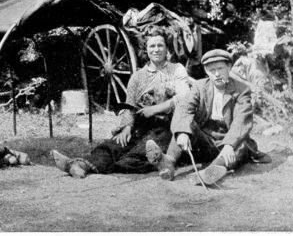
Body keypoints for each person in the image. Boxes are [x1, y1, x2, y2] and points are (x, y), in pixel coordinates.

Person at [51, 26, 191, 178]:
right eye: (152, 46)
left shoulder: (177, 69)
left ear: (167, 49)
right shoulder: (137, 77)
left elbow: (184, 96)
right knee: (114, 145)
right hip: (142, 124)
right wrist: (127, 127)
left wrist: (156, 109)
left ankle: (117, 166)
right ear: (146, 49)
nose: (156, 50)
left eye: (160, 45)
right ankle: (78, 165)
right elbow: (129, 106)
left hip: (168, 125)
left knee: (140, 152)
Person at [145, 49, 272, 185]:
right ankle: (168, 163)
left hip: (228, 140)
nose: (217, 74)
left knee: (240, 145)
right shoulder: (199, 87)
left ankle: (212, 171)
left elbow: (241, 120)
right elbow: (184, 109)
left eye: (220, 68)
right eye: (212, 70)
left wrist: (229, 144)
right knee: (187, 125)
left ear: (229, 67)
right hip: (206, 141)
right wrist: (182, 133)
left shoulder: (242, 90)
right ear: (206, 71)